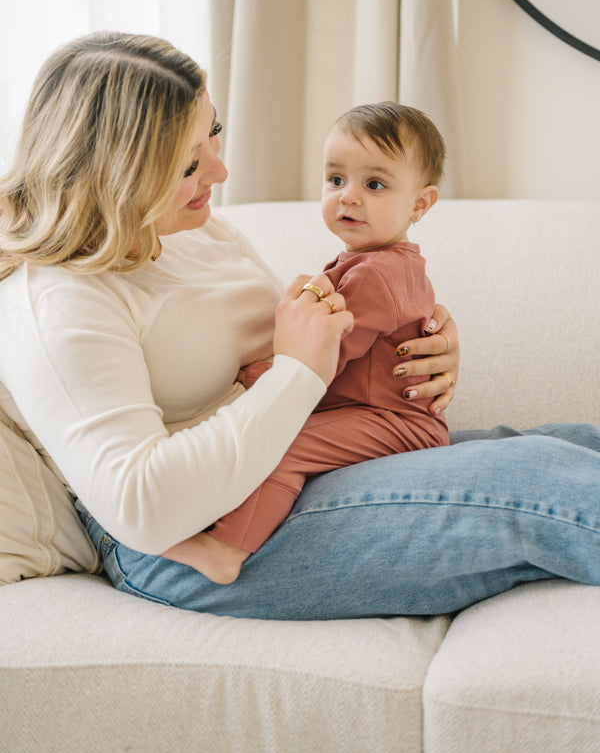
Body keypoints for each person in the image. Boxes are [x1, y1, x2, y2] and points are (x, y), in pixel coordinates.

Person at [1, 31, 600, 622]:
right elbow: (143, 507)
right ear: (118, 173)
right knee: (539, 479)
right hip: (196, 534)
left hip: (292, 461)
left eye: (212, 130)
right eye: (187, 162)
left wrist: (415, 347)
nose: (222, 169)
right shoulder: (59, 301)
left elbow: (310, 334)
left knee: (574, 443)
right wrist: (299, 369)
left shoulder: (191, 228)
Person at [164, 102, 450, 584]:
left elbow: (323, 360)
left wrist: (254, 372)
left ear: (420, 205)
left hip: (397, 424)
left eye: (374, 184)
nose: (348, 197)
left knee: (283, 443)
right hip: (376, 414)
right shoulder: (371, 262)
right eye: (336, 179)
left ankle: (227, 549)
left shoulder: (378, 273)